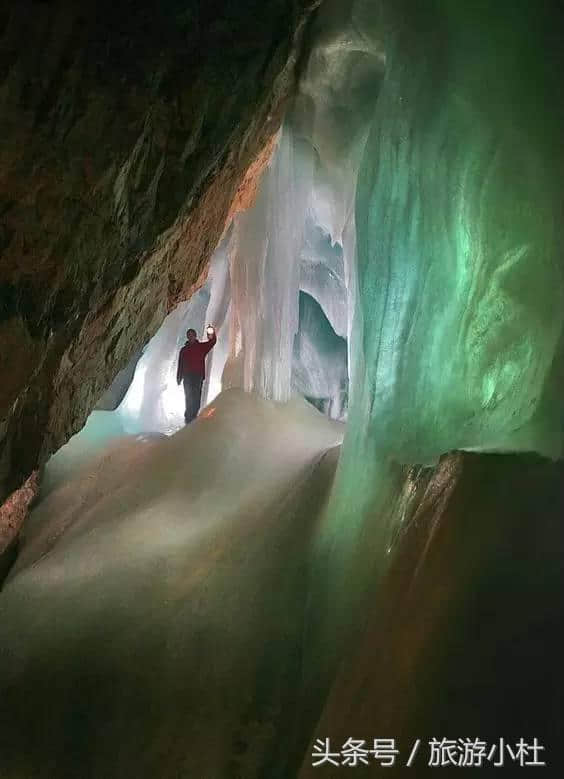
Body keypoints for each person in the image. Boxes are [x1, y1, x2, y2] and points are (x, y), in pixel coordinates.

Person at [176, 325, 217, 424]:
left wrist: (211, 333)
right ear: (187, 337)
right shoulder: (183, 350)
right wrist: (179, 377)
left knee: (196, 397)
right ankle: (188, 419)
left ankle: (193, 417)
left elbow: (212, 342)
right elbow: (180, 364)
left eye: (192, 335)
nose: (190, 337)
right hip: (187, 377)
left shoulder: (201, 347)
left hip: (197, 376)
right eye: (189, 335)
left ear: (195, 336)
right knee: (189, 397)